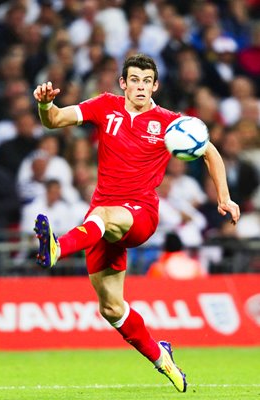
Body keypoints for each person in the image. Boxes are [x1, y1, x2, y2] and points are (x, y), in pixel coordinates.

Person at [33, 53, 240, 393]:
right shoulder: (104, 106)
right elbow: (54, 120)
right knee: (111, 308)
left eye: (147, 81)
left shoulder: (171, 123)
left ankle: (57, 249)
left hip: (140, 214)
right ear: (123, 84)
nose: (140, 87)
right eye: (134, 80)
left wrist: (224, 197)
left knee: (101, 215)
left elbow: (210, 152)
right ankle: (163, 358)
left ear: (155, 86)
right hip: (100, 223)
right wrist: (44, 105)